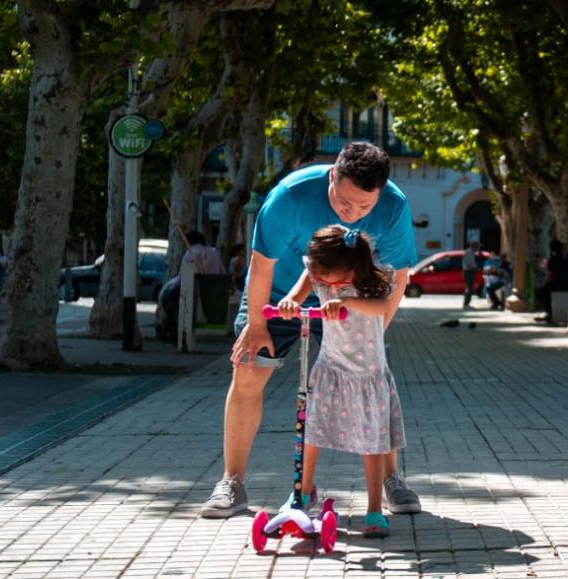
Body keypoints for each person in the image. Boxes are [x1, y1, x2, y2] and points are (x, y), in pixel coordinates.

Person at [200, 141, 420, 520]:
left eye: (363, 207)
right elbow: (262, 263)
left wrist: (375, 332)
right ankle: (231, 481)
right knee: (249, 368)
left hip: (351, 298)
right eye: (345, 202)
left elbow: (399, 276)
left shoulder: (394, 206)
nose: (353, 213)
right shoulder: (291, 196)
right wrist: (256, 325)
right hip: (281, 291)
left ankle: (390, 479)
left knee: (373, 384)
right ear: (332, 175)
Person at [275, 225, 406, 538]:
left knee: (372, 442)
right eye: (317, 273)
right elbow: (297, 293)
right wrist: (290, 303)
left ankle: (374, 508)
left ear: (349, 267)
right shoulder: (317, 272)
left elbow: (381, 307)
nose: (320, 280)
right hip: (331, 368)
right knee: (312, 430)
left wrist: (346, 302)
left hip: (368, 375)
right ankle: (303, 492)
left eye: (327, 276)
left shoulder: (376, 278)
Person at [156, 231, 225, 343]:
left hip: (193, 290)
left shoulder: (191, 253)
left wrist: (171, 287)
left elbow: (182, 278)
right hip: (212, 290)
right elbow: (222, 271)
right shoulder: (214, 252)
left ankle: (174, 328)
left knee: (167, 299)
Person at [534, 239, 568, 323]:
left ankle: (549, 312)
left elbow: (552, 276)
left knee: (540, 292)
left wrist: (546, 284)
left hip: (561, 284)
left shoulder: (553, 259)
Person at [462, 241, 481, 309]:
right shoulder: (469, 252)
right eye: (477, 247)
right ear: (474, 246)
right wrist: (476, 268)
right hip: (469, 271)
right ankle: (466, 303)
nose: (477, 248)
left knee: (469, 288)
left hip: (470, 271)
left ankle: (467, 303)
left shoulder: (471, 252)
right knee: (469, 288)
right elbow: (469, 263)